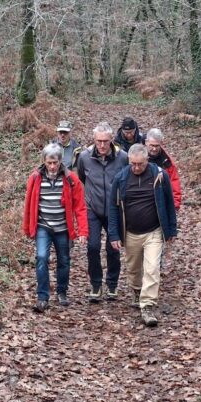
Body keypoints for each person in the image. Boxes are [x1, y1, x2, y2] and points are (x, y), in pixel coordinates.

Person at [108, 144, 178, 327]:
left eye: (140, 164)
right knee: (133, 269)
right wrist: (114, 234)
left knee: (152, 267)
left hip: (153, 231)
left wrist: (171, 229)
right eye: (133, 164)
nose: (137, 167)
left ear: (147, 160)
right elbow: (113, 208)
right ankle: (137, 291)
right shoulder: (121, 178)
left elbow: (169, 203)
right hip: (130, 232)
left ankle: (147, 305)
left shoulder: (159, 176)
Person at [22, 143, 88, 312]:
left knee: (64, 260)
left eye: (55, 163)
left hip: (63, 228)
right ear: (44, 161)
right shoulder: (35, 178)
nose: (52, 166)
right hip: (43, 226)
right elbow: (29, 204)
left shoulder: (71, 179)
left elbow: (80, 206)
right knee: (41, 257)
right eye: (49, 163)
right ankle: (42, 297)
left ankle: (62, 292)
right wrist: (27, 228)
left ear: (60, 161)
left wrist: (82, 230)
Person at [75, 122, 128, 303]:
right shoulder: (84, 157)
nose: (102, 145)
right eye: (99, 141)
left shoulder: (122, 157)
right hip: (93, 208)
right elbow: (82, 177)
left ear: (112, 140)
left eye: (105, 141)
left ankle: (112, 284)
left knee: (113, 248)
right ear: (94, 140)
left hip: (114, 209)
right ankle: (96, 285)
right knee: (93, 247)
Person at [145, 128, 182, 211]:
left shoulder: (167, 161)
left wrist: (175, 204)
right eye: (152, 145)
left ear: (161, 143)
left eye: (157, 146)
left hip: (162, 201)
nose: (154, 149)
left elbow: (174, 181)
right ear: (146, 142)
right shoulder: (139, 157)